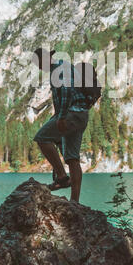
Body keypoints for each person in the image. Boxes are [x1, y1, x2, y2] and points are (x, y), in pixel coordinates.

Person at [32, 48, 89, 203]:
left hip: (72, 114)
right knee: (72, 158)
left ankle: (62, 177)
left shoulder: (58, 68)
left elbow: (65, 91)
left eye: (38, 63)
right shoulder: (62, 66)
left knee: (42, 138)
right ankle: (74, 201)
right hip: (81, 115)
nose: (38, 67)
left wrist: (62, 117)